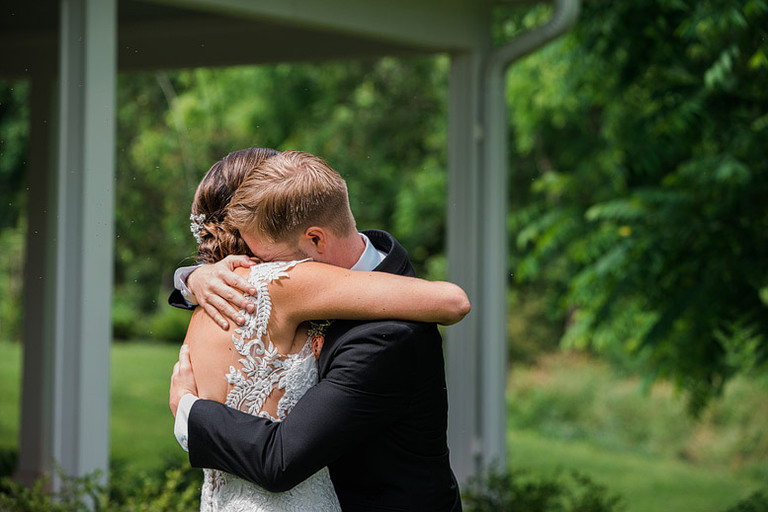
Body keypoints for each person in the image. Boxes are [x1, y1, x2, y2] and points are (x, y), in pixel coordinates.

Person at [170, 150, 467, 511]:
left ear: (315, 240)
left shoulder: (389, 336)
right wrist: (194, 277)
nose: (260, 273)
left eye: (266, 262)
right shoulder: (335, 258)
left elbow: (280, 460)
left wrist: (188, 409)